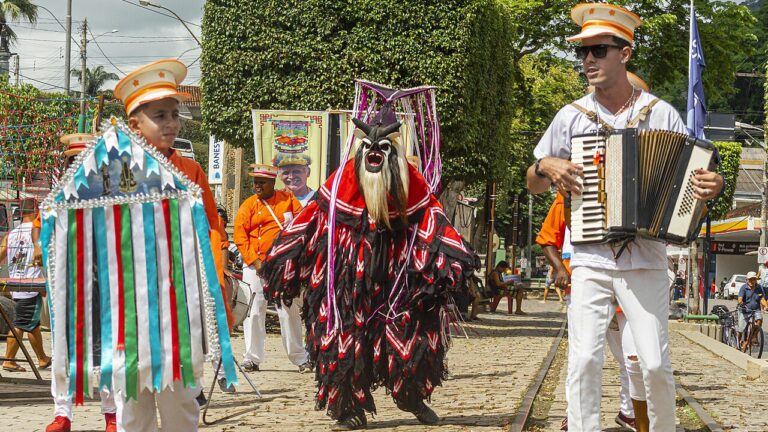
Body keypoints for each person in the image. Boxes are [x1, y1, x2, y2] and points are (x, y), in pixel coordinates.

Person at [526, 4, 723, 431]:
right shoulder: (571, 117)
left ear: (625, 53)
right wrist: (546, 167)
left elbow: (693, 178)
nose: (588, 61)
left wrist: (714, 186)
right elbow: (532, 182)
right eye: (583, 52)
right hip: (591, 257)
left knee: (653, 365)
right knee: (582, 362)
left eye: (598, 50)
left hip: (646, 259)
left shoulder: (661, 113)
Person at [261, 113, 477, 430]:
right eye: (368, 147)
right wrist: (284, 262)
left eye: (384, 148)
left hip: (400, 280)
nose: (374, 155)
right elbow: (308, 223)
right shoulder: (341, 182)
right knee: (341, 338)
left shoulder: (412, 186)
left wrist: (451, 265)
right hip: (346, 281)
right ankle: (347, 409)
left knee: (411, 334)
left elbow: (435, 224)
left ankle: (411, 394)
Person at [112, 58, 229, 432]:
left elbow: (212, 230)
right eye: (160, 116)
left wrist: (215, 286)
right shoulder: (111, 173)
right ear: (134, 124)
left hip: (178, 305)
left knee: (180, 402)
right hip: (126, 308)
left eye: (175, 114)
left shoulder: (190, 171)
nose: (172, 124)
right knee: (133, 405)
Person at [536, 193, 640, 431]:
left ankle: (630, 412)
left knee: (633, 357)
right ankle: (575, 414)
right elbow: (547, 237)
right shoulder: (568, 194)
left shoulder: (630, 191)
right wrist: (560, 269)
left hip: (629, 287)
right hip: (584, 287)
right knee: (582, 358)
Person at [36, 134, 118, 432]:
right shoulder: (55, 201)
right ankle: (63, 414)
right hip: (67, 288)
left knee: (106, 347)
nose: (79, 168)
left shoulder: (112, 200)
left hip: (103, 288)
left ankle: (112, 413)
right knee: (63, 349)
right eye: (73, 162)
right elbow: (41, 235)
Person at [233, 163, 310, 373]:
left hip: (282, 266)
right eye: (255, 182)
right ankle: (252, 357)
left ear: (272, 183)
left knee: (287, 310)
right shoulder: (248, 205)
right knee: (254, 311)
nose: (257, 186)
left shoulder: (288, 201)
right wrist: (255, 262)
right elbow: (240, 236)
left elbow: (302, 226)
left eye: (261, 182)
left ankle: (300, 357)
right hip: (255, 266)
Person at [1, 198, 52, 374]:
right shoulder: (39, 232)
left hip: (17, 285)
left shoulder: (11, 233)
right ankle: (9, 361)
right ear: (36, 211)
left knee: (33, 323)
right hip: (31, 286)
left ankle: (42, 359)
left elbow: (0, 255)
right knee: (22, 323)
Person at [737, 272, 768, 351]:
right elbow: (740, 298)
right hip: (745, 310)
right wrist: (741, 303)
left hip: (755, 310)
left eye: (754, 279)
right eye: (750, 279)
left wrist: (766, 306)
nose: (752, 281)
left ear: (756, 280)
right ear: (747, 280)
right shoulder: (743, 288)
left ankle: (753, 336)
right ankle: (738, 343)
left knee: (760, 320)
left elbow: (762, 298)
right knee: (740, 330)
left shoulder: (759, 288)